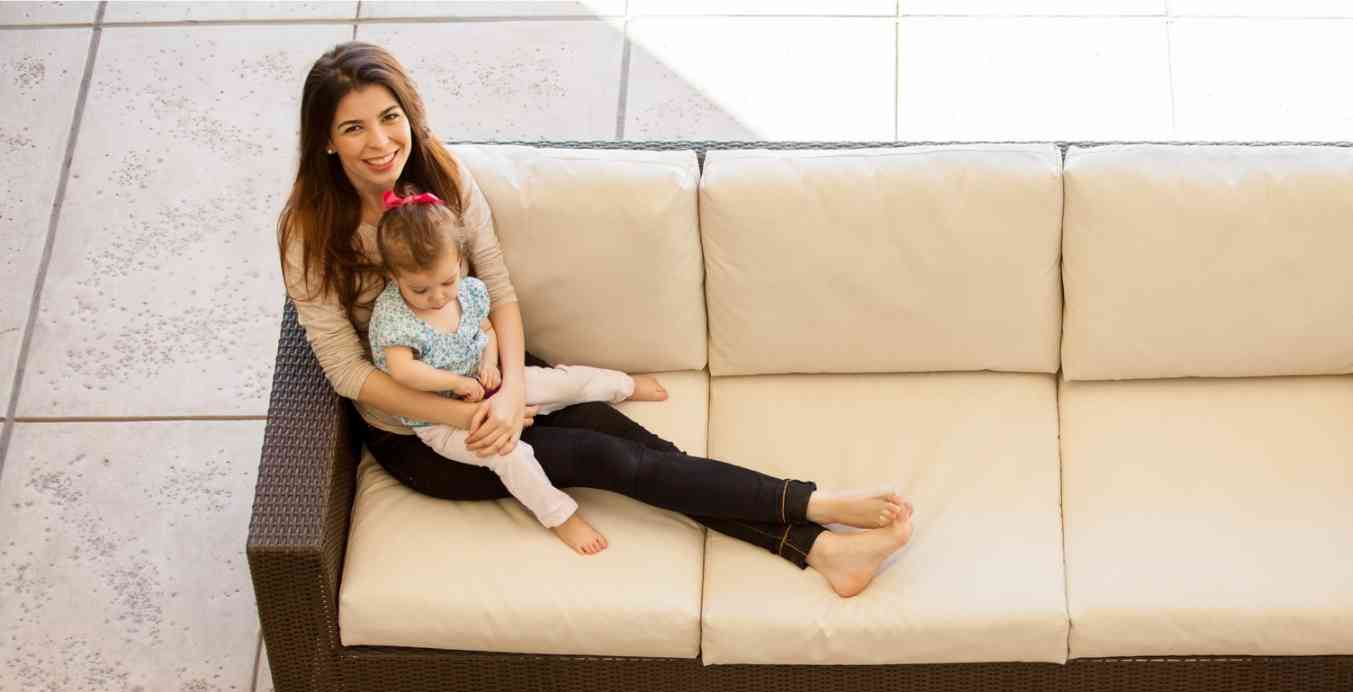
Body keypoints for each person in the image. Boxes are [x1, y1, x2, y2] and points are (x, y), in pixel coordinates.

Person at [277, 42, 913, 594]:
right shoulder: (308, 231)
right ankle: (817, 503)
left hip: (493, 368)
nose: (380, 141)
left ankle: (824, 551)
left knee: (642, 449)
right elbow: (343, 367)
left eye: (390, 117)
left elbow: (497, 290)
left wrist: (513, 389)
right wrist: (471, 414)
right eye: (354, 128)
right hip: (422, 431)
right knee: (612, 463)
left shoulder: (442, 179)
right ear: (326, 142)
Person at [368, 184, 642, 554]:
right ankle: (560, 516)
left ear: (459, 261)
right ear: (393, 276)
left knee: (563, 383)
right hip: (439, 420)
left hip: (486, 384)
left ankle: (623, 386)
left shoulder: (467, 291)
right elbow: (403, 372)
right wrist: (455, 383)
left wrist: (489, 364)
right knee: (509, 455)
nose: (437, 297)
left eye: (446, 282)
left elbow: (486, 329)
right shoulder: (393, 317)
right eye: (421, 290)